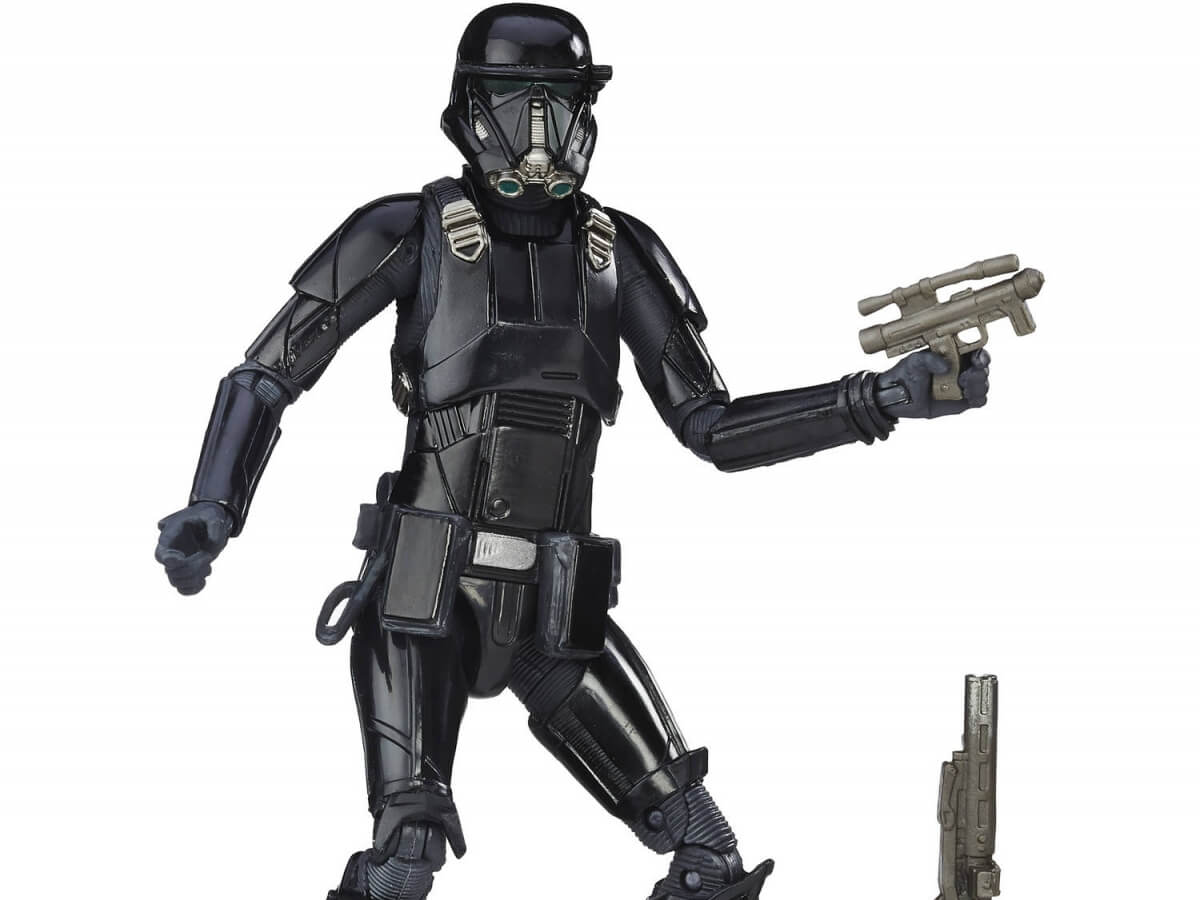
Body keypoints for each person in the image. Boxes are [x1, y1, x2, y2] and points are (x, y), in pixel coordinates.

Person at [155, 6, 990, 898]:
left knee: (709, 858)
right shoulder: (408, 229)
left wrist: (876, 399)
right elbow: (268, 373)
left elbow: (712, 425)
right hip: (423, 594)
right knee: (408, 852)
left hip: (558, 605)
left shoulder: (616, 251)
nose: (540, 130)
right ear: (473, 111)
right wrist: (215, 504)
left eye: (559, 102)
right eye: (520, 101)